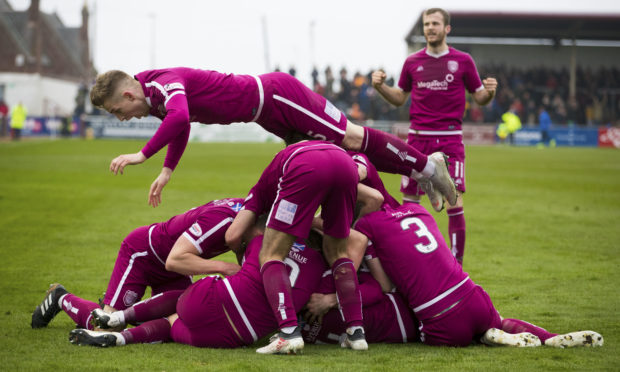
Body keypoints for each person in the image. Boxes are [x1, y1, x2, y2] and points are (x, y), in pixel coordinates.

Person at [89, 68, 455, 209]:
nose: (120, 118)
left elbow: (181, 115)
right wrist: (168, 170)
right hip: (269, 115)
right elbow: (180, 125)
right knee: (326, 161)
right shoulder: (153, 99)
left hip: (279, 96)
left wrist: (143, 154)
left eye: (115, 111)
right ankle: (401, 205)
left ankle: (427, 167)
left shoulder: (163, 82)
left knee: (352, 139)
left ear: (124, 96)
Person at [349, 202, 604, 348]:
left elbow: (384, 286)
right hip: (472, 294)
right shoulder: (418, 209)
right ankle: (548, 339)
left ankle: (486, 337)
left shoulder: (365, 225)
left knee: (416, 325)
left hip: (440, 319)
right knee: (498, 319)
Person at [371, 8, 497, 264]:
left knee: (454, 199)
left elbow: (479, 96)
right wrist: (380, 87)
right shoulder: (412, 62)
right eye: (427, 24)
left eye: (435, 24)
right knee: (409, 201)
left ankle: (456, 264)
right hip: (417, 139)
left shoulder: (463, 61)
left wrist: (490, 92)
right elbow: (399, 98)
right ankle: (410, 259)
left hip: (449, 138)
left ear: (447, 29)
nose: (430, 28)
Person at [224, 140, 374, 354]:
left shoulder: (266, 181)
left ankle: (288, 333)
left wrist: (242, 255)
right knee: (338, 253)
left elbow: (232, 236)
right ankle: (356, 333)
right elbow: (374, 197)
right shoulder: (311, 148)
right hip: (345, 164)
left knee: (271, 254)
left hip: (305, 166)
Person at [68, 231, 327, 350]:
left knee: (181, 300)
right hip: (238, 336)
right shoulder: (320, 268)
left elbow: (238, 244)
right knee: (171, 325)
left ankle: (119, 318)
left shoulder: (263, 240)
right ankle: (122, 338)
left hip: (216, 299)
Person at [31, 198, 244, 330]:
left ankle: (120, 305)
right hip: (143, 254)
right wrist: (223, 267)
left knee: (178, 323)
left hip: (175, 268)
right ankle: (61, 298)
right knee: (107, 327)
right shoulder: (224, 218)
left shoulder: (246, 213)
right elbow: (175, 259)